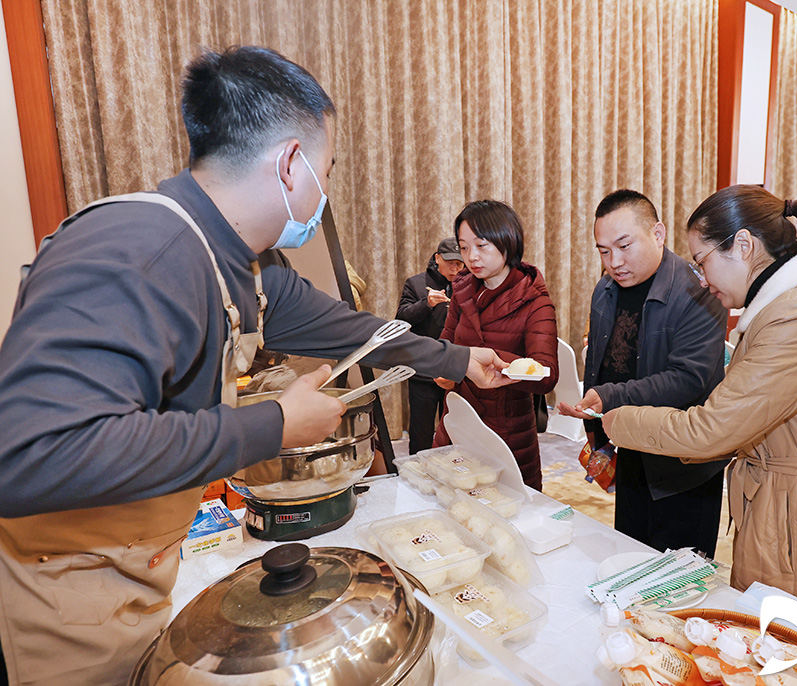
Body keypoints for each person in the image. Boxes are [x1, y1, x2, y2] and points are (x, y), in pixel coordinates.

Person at [0, 46, 509, 686]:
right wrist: (274, 425)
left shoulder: (239, 265)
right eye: (328, 169)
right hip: (61, 597)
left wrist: (459, 358)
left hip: (135, 577)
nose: (326, 191)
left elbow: (356, 332)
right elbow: (30, 456)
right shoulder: (140, 251)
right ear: (292, 164)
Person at [601, 185, 797, 675]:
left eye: (702, 261)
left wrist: (617, 418)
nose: (701, 278)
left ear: (744, 246)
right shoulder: (790, 303)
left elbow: (713, 430)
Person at [556, 189, 727, 554]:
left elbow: (687, 379)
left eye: (624, 246)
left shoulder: (698, 291)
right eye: (604, 251)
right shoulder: (606, 289)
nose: (614, 262)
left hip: (684, 461)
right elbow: (601, 363)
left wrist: (609, 396)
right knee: (631, 556)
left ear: (658, 234)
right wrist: (596, 431)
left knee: (680, 574)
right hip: (632, 445)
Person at [433, 200, 559, 490]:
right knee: (451, 502)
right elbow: (446, 345)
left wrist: (482, 360)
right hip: (457, 421)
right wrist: (444, 370)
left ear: (507, 242)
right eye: (464, 247)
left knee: (504, 507)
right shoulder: (463, 289)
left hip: (507, 432)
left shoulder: (535, 301)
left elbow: (547, 375)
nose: (472, 257)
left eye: (481, 246)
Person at [396, 237, 465, 453]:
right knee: (421, 431)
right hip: (424, 368)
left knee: (456, 429)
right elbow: (401, 319)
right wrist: (426, 303)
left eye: (459, 264)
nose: (455, 269)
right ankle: (418, 468)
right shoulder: (416, 284)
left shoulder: (467, 285)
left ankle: (454, 468)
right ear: (437, 258)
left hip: (455, 368)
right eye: (450, 263)